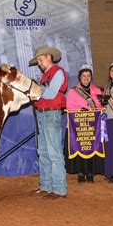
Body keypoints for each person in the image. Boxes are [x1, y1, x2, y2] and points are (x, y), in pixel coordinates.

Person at [29, 46, 68, 200]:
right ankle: (46, 185)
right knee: (43, 152)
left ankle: (59, 189)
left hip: (51, 113)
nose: (39, 63)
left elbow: (51, 93)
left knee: (54, 153)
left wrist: (35, 88)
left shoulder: (57, 72)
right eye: (38, 60)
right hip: (42, 114)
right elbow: (43, 94)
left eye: (40, 59)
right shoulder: (45, 75)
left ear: (49, 57)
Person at [65, 64, 104, 183]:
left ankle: (91, 173)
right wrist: (80, 109)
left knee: (92, 148)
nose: (86, 78)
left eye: (88, 76)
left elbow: (100, 106)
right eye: (84, 76)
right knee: (80, 149)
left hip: (93, 125)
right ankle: (81, 173)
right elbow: (69, 106)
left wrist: (101, 105)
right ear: (79, 77)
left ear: (91, 77)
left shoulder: (97, 90)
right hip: (78, 125)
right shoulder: (73, 91)